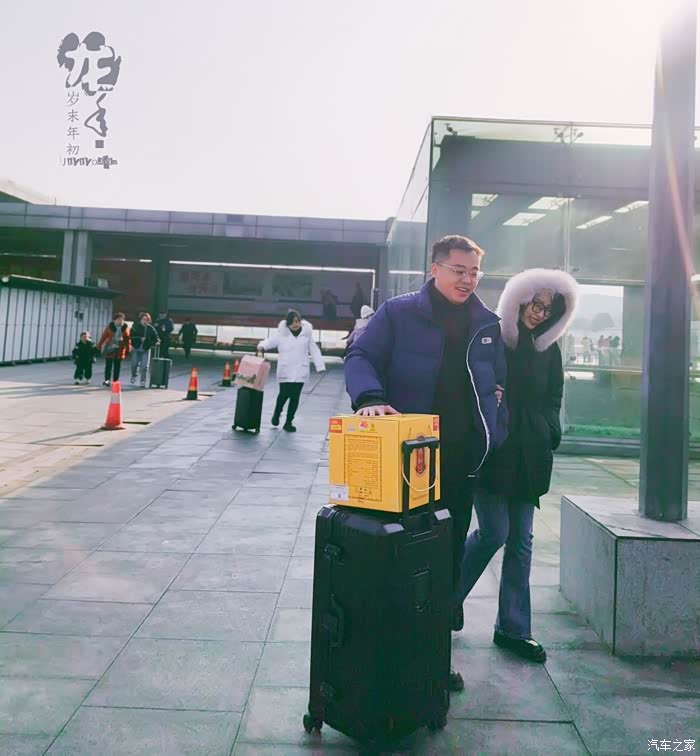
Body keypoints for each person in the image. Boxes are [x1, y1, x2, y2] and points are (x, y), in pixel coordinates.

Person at [345, 234, 508, 693]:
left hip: (460, 464)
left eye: (474, 272)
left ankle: (433, 662)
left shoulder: (487, 323)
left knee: (446, 564)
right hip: (406, 463)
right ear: (434, 269)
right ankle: (384, 662)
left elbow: (499, 383)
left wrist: (496, 420)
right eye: (459, 270)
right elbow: (360, 355)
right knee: (397, 560)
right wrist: (370, 398)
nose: (468, 280)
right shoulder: (398, 313)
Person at [455, 268, 578, 664]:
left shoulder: (548, 349)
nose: (539, 314)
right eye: (535, 305)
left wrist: (549, 429)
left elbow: (554, 395)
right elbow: (471, 383)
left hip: (530, 456)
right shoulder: (494, 337)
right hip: (494, 453)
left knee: (521, 542)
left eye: (548, 309)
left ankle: (513, 628)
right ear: (520, 300)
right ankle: (446, 600)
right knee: (494, 532)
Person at [258, 309, 326, 432]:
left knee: (295, 397)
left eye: (298, 321)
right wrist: (262, 345)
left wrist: (320, 366)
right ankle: (277, 413)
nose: (296, 324)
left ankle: (288, 422)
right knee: (283, 394)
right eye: (293, 321)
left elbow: (314, 350)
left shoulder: (306, 334)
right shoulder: (282, 333)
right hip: (286, 369)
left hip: (300, 371)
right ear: (288, 322)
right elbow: (270, 341)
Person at [97, 312, 130, 386]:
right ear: (114, 320)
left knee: (117, 366)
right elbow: (103, 337)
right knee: (108, 366)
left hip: (120, 349)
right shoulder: (109, 327)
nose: (120, 321)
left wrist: (128, 349)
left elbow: (127, 340)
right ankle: (107, 380)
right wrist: (99, 346)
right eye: (118, 319)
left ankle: (115, 381)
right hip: (110, 348)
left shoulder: (125, 328)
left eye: (121, 320)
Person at [129, 312, 159, 387]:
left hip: (146, 349)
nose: (145, 321)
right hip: (136, 348)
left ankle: (143, 381)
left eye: (147, 320)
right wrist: (139, 339)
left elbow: (156, 338)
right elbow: (131, 336)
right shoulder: (136, 327)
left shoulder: (151, 329)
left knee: (145, 366)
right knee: (134, 364)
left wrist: (154, 342)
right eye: (143, 319)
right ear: (141, 320)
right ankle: (134, 375)